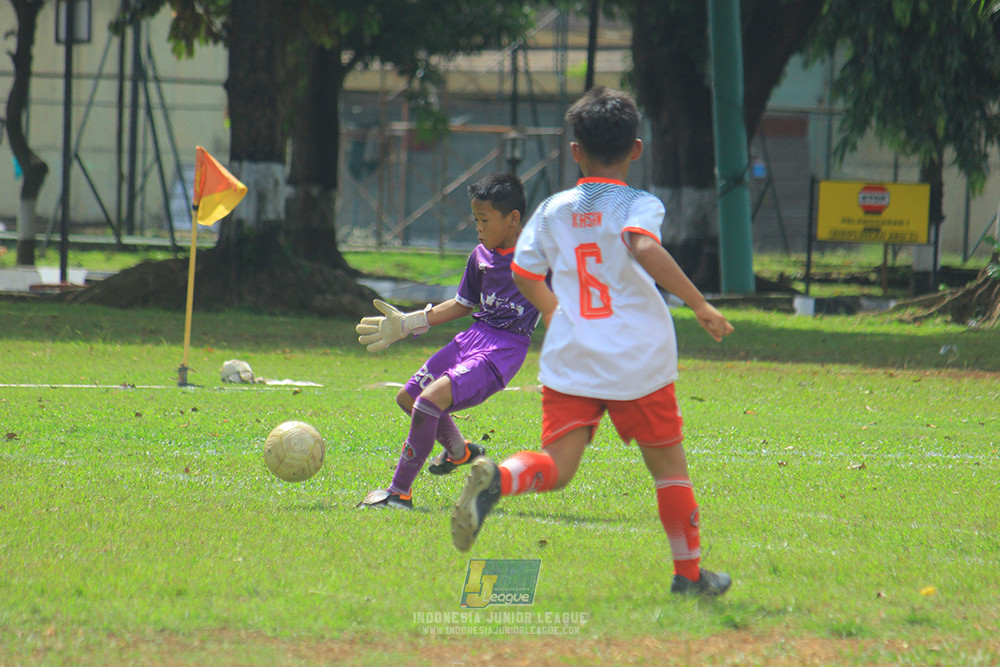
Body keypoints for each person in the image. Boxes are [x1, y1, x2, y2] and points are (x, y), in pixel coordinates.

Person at [449, 87, 736, 597]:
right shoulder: (639, 203)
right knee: (668, 466)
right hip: (638, 357)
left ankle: (501, 478)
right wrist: (698, 303)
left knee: (556, 467)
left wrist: (557, 312)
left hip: (573, 354)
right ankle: (689, 576)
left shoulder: (554, 209)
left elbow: (523, 270)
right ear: (636, 149)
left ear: (575, 151)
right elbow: (642, 244)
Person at [355, 173, 541, 510]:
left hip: (503, 350)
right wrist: (410, 322)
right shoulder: (480, 256)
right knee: (408, 398)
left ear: (513, 218)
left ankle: (399, 493)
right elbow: (463, 305)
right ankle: (459, 451)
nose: (478, 228)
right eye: (476, 220)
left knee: (429, 401)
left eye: (484, 220)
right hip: (470, 338)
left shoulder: (539, 257)